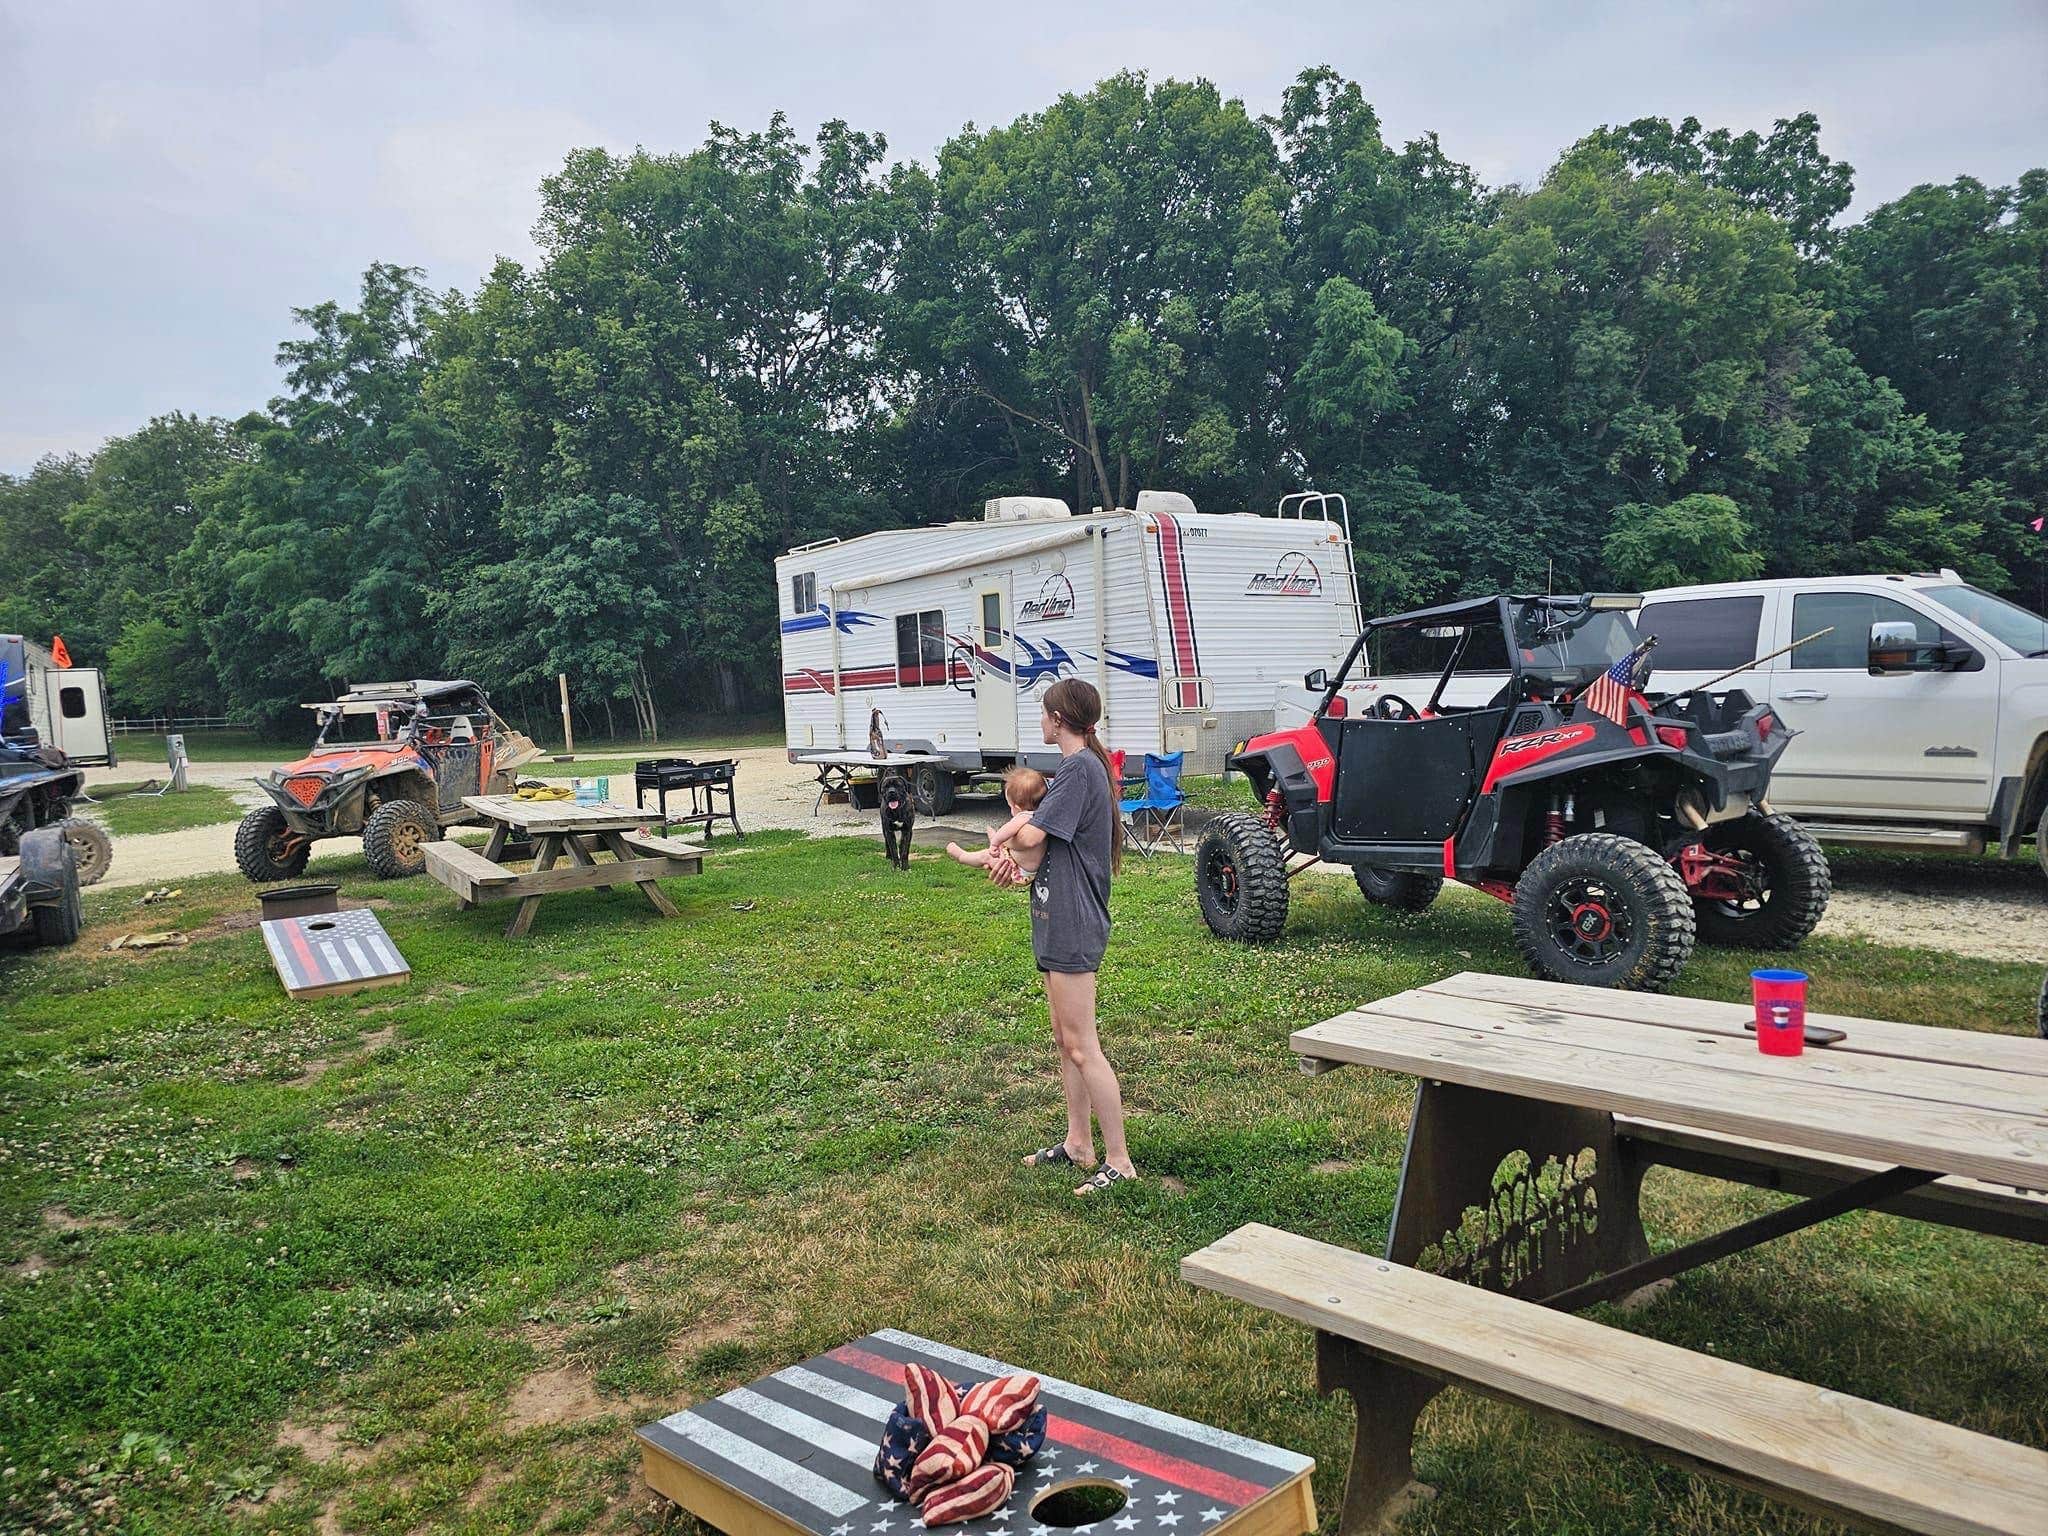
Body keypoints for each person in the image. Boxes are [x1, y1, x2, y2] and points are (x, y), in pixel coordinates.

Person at [987, 678, 1135, 1196]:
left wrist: (1008, 847)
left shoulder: (1077, 770)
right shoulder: (1077, 769)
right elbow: (1035, 851)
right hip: (1055, 915)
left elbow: (1029, 837)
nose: (1041, 720)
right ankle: (1078, 1144)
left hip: (1073, 920)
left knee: (1082, 1045)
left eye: (1044, 713)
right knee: (1065, 1042)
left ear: (1058, 717)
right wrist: (1013, 861)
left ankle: (1118, 1159)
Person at [945, 766, 1048, 874]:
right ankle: (994, 837)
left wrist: (995, 843)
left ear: (1017, 807)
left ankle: (962, 856)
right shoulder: (1042, 815)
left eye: (1010, 806)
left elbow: (1007, 830)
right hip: (1033, 870)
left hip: (1014, 868)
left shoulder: (1024, 816)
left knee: (986, 856)